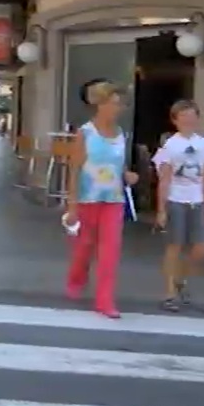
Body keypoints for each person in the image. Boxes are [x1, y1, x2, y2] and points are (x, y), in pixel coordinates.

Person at [64, 80, 139, 318]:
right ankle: (77, 278)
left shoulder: (121, 135)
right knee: (85, 246)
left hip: (114, 199)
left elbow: (119, 163)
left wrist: (127, 174)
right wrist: (72, 205)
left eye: (121, 105)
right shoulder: (85, 133)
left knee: (110, 251)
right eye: (114, 104)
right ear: (101, 105)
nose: (118, 109)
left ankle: (105, 300)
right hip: (88, 199)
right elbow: (74, 169)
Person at [152, 100, 204, 311]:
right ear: (175, 120)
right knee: (175, 246)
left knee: (200, 247)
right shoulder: (170, 145)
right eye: (183, 116)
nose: (188, 120)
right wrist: (161, 209)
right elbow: (165, 179)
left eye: (192, 116)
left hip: (196, 200)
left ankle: (182, 277)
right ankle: (169, 293)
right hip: (175, 200)